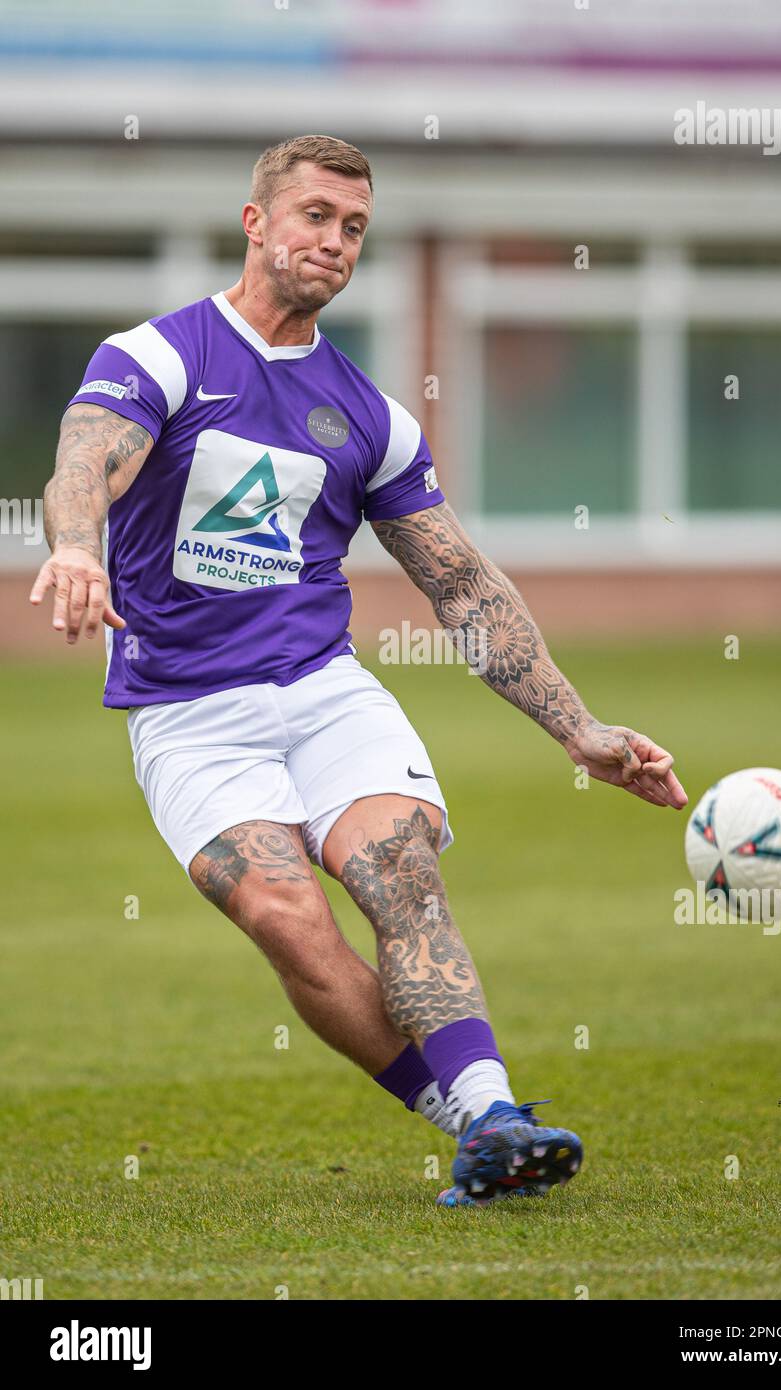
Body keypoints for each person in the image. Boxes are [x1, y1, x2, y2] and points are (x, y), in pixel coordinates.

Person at [31, 134, 687, 1207]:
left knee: (397, 871)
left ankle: (493, 1115)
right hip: (187, 715)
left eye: (352, 228)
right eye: (315, 217)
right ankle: (473, 1123)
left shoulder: (371, 418)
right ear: (256, 222)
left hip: (324, 692)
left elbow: (463, 586)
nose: (333, 241)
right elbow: (85, 458)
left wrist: (579, 730)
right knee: (288, 920)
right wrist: (71, 545)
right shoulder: (158, 356)